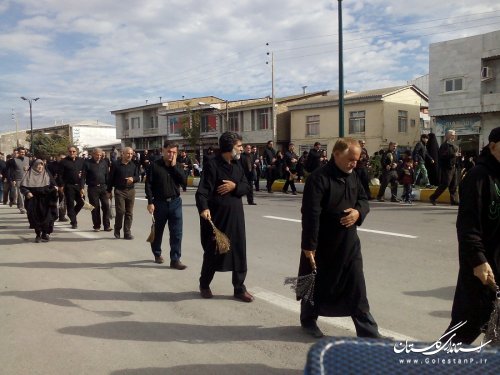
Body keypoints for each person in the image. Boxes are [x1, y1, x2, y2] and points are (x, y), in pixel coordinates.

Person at [298, 138, 381, 338]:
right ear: (336, 154)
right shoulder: (318, 178)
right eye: (351, 159)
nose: (354, 163)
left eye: (357, 159)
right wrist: (309, 246)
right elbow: (311, 214)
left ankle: (368, 331)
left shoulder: (354, 176)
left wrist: (358, 213)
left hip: (349, 243)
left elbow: (363, 199)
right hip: (323, 243)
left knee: (356, 285)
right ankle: (308, 320)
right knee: (316, 282)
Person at [442, 127, 500, 344]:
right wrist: (478, 260)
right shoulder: (478, 176)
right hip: (482, 269)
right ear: (493, 146)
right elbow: (467, 226)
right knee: (465, 327)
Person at [195, 131, 253, 302]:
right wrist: (204, 208)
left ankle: (239, 288)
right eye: (239, 146)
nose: (242, 149)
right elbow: (202, 192)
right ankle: (204, 284)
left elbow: (246, 186)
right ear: (229, 147)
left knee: (239, 252)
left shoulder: (238, 164)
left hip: (236, 218)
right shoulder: (213, 165)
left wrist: (234, 187)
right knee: (214, 252)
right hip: (218, 220)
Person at [145, 142, 187, 269]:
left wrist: (174, 167)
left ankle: (175, 259)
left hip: (175, 202)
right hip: (159, 203)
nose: (171, 154)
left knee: (176, 232)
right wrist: (150, 202)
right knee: (158, 231)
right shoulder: (154, 166)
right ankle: (157, 253)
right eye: (169, 151)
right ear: (163, 150)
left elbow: (184, 182)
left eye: (174, 152)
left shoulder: (178, 166)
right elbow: (148, 185)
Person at [19, 159, 58, 243]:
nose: (40, 167)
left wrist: (55, 189)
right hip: (34, 200)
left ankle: (44, 234)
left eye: (41, 165)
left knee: (47, 217)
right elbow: (22, 187)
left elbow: (53, 185)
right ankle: (38, 235)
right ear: (33, 166)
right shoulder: (28, 175)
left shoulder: (47, 174)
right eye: (37, 165)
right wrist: (27, 192)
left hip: (46, 200)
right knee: (35, 217)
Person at [107, 147, 140, 239]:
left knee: (129, 213)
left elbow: (138, 177)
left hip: (131, 191)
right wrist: (108, 191)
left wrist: (133, 179)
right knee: (120, 211)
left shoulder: (133, 165)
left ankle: (127, 232)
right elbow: (111, 178)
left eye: (131, 154)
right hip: (119, 191)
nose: (129, 155)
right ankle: (117, 229)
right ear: (123, 154)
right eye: (128, 153)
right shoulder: (116, 165)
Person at [83, 148, 111, 232]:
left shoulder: (104, 163)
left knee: (106, 206)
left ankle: (107, 226)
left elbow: (107, 176)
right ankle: (96, 225)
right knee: (95, 208)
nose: (99, 157)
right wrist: (81, 188)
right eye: (97, 155)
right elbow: (83, 176)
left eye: (100, 155)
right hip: (92, 188)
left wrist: (109, 189)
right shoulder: (87, 163)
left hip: (103, 187)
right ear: (93, 154)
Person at [57, 146, 85, 229]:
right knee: (70, 204)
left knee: (81, 202)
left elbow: (83, 174)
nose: (72, 153)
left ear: (76, 152)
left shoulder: (81, 161)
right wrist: (61, 185)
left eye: (73, 151)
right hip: (69, 186)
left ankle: (71, 214)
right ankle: (74, 222)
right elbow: (60, 175)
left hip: (79, 186)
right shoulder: (63, 162)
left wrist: (82, 186)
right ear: (68, 152)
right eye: (70, 151)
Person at [429, 129, 459, 206]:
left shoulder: (454, 145)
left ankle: (454, 200)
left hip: (454, 167)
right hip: (447, 167)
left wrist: (458, 158)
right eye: (452, 134)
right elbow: (443, 156)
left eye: (454, 134)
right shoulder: (444, 145)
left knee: (454, 185)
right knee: (445, 183)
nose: (454, 136)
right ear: (447, 135)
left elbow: (455, 155)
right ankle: (433, 197)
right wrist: (453, 155)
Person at [47, 152, 69, 222]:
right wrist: (55, 185)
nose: (63, 160)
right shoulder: (51, 165)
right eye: (61, 158)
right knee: (53, 201)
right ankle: (52, 215)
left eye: (64, 158)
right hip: (53, 185)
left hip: (63, 186)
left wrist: (63, 185)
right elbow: (49, 176)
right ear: (57, 157)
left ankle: (62, 216)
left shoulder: (66, 165)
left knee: (63, 201)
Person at [9, 147, 30, 214]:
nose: (23, 153)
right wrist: (13, 180)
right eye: (21, 152)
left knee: (27, 193)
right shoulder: (14, 160)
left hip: (27, 179)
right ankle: (22, 208)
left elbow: (31, 168)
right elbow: (12, 171)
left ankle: (27, 207)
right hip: (18, 179)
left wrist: (28, 168)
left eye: (23, 152)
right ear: (18, 153)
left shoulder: (28, 159)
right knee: (20, 194)